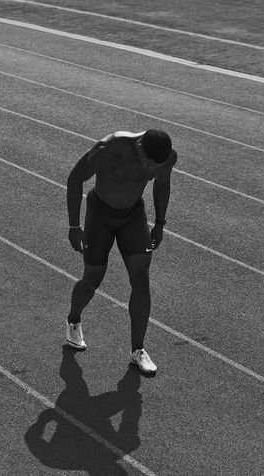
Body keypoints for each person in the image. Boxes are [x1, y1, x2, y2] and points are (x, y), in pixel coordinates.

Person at [65, 129, 177, 374]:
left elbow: (162, 183)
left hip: (133, 215)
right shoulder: (108, 150)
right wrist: (74, 225)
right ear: (138, 148)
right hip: (100, 213)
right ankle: (73, 319)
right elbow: (75, 178)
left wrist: (159, 222)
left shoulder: (166, 158)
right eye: (148, 165)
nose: (150, 170)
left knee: (141, 278)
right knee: (92, 279)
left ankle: (138, 350)